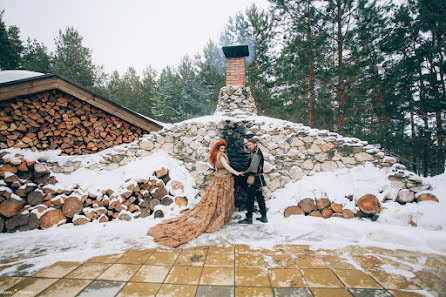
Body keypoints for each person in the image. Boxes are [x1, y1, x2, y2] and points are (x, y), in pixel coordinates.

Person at [147, 139, 242, 248]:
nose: (223, 150)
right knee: (220, 198)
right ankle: (219, 217)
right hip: (223, 179)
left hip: (219, 178)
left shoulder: (215, 156)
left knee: (218, 198)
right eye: (221, 148)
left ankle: (219, 216)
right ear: (218, 148)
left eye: (224, 148)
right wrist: (237, 173)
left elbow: (217, 168)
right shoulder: (221, 156)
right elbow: (227, 167)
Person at [238, 138, 268, 224]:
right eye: (247, 145)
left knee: (250, 198)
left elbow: (253, 169)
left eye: (250, 145)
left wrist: (243, 172)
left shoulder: (256, 155)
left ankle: (249, 218)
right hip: (258, 179)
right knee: (259, 197)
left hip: (255, 179)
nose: (249, 147)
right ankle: (264, 217)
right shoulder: (255, 152)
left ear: (255, 144)